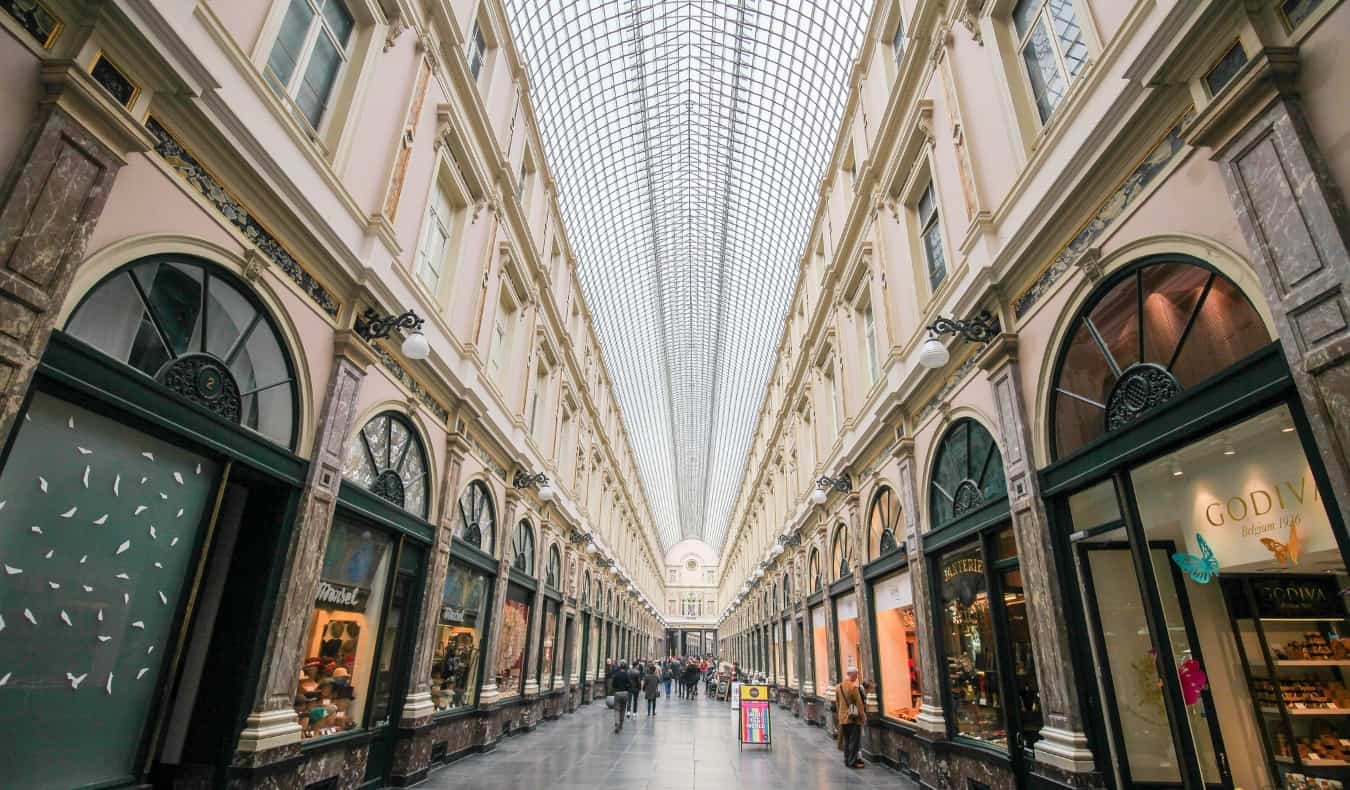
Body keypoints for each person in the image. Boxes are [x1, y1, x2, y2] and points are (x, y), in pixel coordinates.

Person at [836, 668, 866, 768]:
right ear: (852, 675)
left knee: (847, 740)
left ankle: (846, 760)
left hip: (842, 718)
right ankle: (852, 762)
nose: (856, 677)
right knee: (854, 741)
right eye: (856, 675)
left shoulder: (838, 687)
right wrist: (863, 717)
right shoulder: (853, 687)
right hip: (852, 718)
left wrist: (840, 715)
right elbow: (859, 704)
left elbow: (838, 703)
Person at [610, 661, 632, 733]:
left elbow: (613, 684)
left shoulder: (616, 674)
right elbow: (630, 684)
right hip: (625, 693)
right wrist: (626, 687)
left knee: (616, 709)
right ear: (625, 667)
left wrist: (615, 688)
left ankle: (617, 724)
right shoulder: (627, 675)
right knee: (623, 709)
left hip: (617, 693)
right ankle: (621, 724)